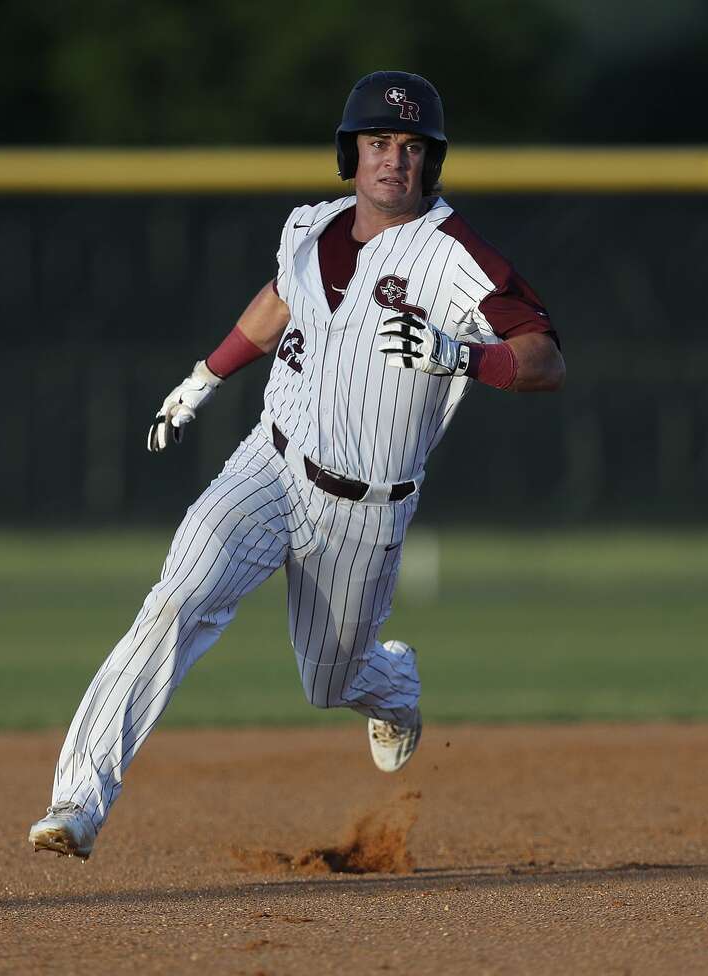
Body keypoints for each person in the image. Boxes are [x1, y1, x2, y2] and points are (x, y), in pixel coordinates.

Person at [28, 70, 565, 859]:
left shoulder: (456, 256)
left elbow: (545, 358)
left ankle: (394, 687)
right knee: (177, 600)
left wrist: (462, 355)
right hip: (270, 465)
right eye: (378, 141)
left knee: (330, 683)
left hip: (366, 510)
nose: (394, 159)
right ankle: (79, 799)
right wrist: (205, 377)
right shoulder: (311, 227)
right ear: (351, 152)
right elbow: (282, 301)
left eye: (412, 145)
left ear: (432, 160)